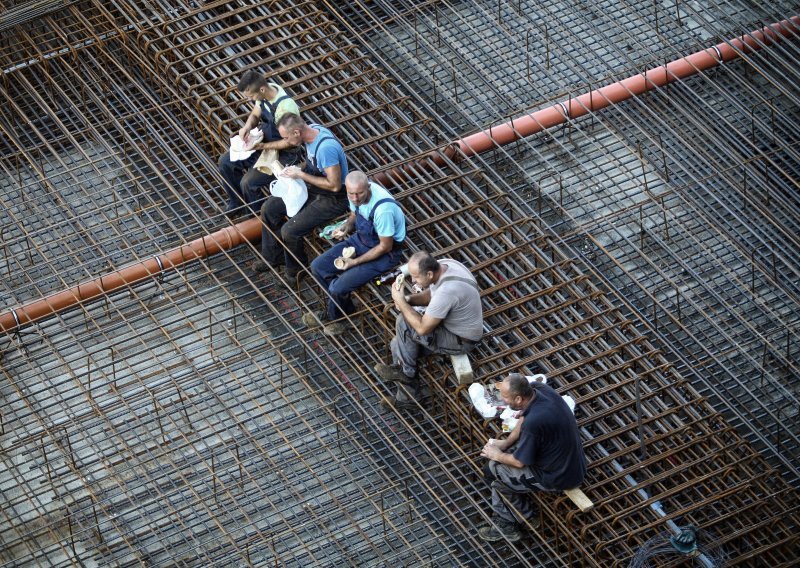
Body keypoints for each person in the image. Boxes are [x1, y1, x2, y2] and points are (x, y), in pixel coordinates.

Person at [477, 374, 587, 543]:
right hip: (570, 460)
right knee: (497, 464)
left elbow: (520, 462)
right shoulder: (541, 390)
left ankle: (512, 523)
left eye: (505, 397)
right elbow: (523, 418)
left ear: (519, 398)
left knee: (494, 473)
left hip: (558, 476)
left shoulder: (533, 424)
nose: (502, 400)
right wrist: (506, 443)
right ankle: (520, 512)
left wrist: (496, 454)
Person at [303, 171, 406, 336]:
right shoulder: (355, 196)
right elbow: (353, 215)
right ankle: (343, 310)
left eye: (359, 194)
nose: (355, 198)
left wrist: (354, 262)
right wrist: (346, 227)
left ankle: (339, 317)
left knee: (337, 287)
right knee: (318, 267)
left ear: (368, 187)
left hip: (385, 254)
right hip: (361, 240)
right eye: (351, 194)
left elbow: (385, 246)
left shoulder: (383, 209)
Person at [375, 251, 483, 408]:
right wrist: (409, 299)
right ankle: (408, 398)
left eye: (416, 277)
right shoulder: (447, 264)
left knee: (404, 322)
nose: (413, 280)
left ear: (430, 274)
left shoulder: (448, 291)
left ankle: (407, 374)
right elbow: (432, 295)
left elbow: (422, 329)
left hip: (460, 340)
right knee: (396, 344)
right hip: (450, 326)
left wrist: (401, 302)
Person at [254, 114, 349, 280]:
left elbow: (334, 185)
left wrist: (301, 176)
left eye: (286, 138)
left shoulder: (326, 148)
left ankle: (296, 271)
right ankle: (272, 257)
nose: (286, 142)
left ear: (297, 132)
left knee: (290, 231)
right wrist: (294, 171)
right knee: (268, 209)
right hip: (315, 186)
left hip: (333, 198)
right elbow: (311, 164)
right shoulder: (313, 130)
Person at [217, 71, 301, 218]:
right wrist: (247, 127)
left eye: (251, 96)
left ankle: (254, 216)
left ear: (261, 89)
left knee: (248, 183)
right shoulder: (267, 92)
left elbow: (290, 142)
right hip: (265, 142)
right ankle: (237, 202)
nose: (251, 99)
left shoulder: (285, 107)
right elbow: (255, 114)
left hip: (284, 153)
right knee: (225, 162)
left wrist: (261, 147)